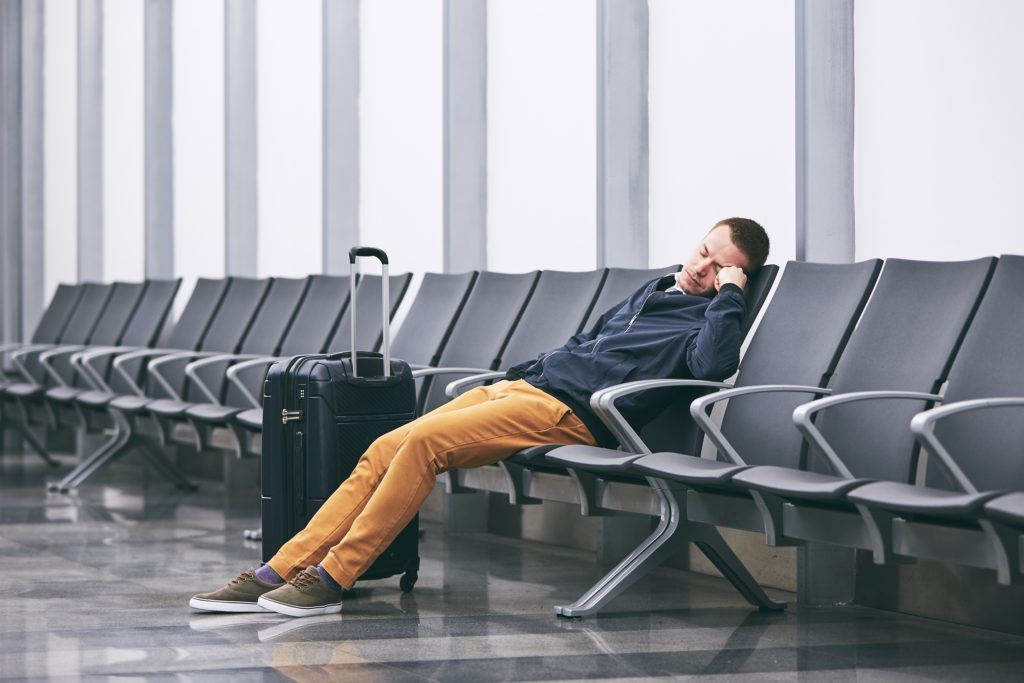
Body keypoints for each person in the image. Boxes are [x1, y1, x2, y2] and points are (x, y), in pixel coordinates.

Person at [190, 217, 769, 618]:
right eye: (703, 252)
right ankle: (276, 570)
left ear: (733, 278)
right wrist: (523, 371)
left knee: (421, 448)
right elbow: (588, 338)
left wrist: (730, 296)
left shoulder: (710, 321)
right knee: (387, 445)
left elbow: (714, 368)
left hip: (566, 413)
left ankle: (334, 577)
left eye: (721, 267)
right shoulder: (654, 289)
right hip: (525, 388)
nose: (702, 268)